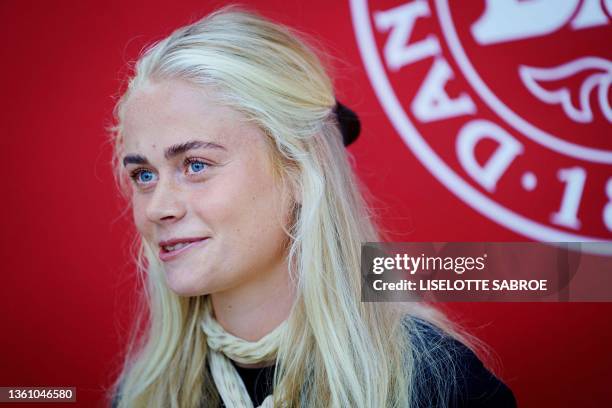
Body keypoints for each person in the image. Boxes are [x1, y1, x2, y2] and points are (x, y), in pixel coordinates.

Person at [107, 5, 516, 408]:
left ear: (301, 171)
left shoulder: (436, 386)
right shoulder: (142, 395)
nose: (158, 208)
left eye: (196, 165)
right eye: (144, 175)